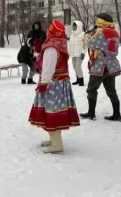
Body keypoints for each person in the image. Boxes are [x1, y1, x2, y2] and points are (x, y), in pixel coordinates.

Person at [28, 20, 80, 154]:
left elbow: (48, 67)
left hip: (52, 84)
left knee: (51, 113)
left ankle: (57, 145)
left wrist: (44, 83)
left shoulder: (51, 46)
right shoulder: (61, 43)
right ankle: (54, 140)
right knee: (56, 112)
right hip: (60, 83)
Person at [80, 13, 121, 122]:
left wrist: (89, 36)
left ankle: (91, 113)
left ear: (102, 21)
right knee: (111, 90)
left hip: (100, 66)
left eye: (99, 19)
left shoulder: (102, 32)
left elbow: (91, 45)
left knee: (91, 89)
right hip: (112, 66)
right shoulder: (115, 32)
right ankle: (117, 114)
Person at [68, 21, 88, 86]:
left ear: (78, 26)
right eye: (73, 26)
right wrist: (69, 52)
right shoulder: (72, 35)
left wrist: (83, 52)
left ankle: (81, 81)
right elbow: (70, 44)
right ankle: (78, 79)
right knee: (74, 67)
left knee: (78, 67)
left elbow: (85, 45)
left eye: (75, 26)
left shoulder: (83, 34)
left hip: (80, 54)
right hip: (73, 54)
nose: (74, 27)